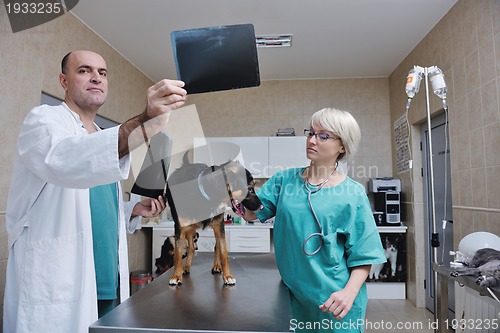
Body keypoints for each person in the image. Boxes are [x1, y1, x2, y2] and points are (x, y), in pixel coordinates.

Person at [3, 50, 187, 333]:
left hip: (107, 280)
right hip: (62, 282)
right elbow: (68, 161)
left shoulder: (103, 135)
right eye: (84, 70)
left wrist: (132, 210)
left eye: (102, 73)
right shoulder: (43, 121)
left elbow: (96, 204)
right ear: (64, 81)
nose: (96, 78)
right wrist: (147, 119)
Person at [236, 108, 386, 332]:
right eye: (311, 133)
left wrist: (348, 293)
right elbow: (251, 213)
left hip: (335, 300)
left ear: (342, 146)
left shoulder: (352, 193)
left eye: (323, 136)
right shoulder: (284, 181)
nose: (312, 140)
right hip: (294, 297)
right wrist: (232, 194)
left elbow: (363, 255)